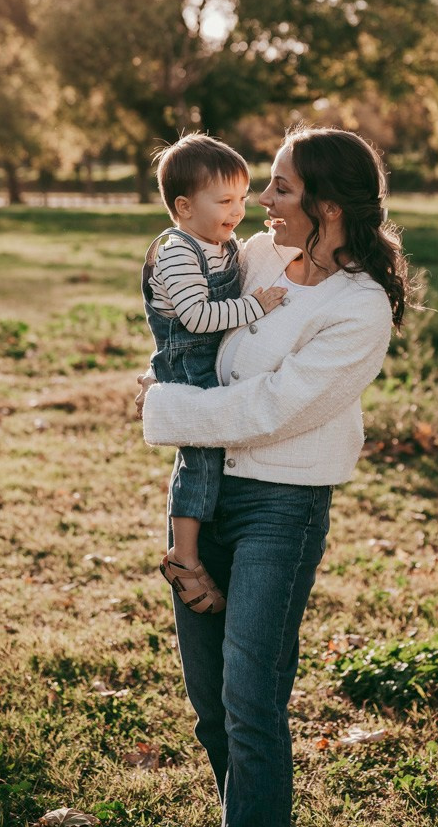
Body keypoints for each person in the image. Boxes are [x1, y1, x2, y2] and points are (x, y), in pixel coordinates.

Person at [136, 125, 410, 827]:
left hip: (279, 509)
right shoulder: (255, 254)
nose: (261, 198)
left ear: (328, 206)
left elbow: (272, 410)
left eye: (281, 187)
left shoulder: (359, 307)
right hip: (202, 489)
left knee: (250, 703)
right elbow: (189, 322)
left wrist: (167, 408)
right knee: (209, 711)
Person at [142, 133, 286, 615]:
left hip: (208, 361)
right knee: (200, 458)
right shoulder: (179, 250)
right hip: (189, 366)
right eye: (225, 200)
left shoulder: (219, 243)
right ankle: (183, 559)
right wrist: (254, 307)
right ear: (183, 207)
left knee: (213, 455)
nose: (239, 210)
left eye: (243, 198)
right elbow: (197, 318)